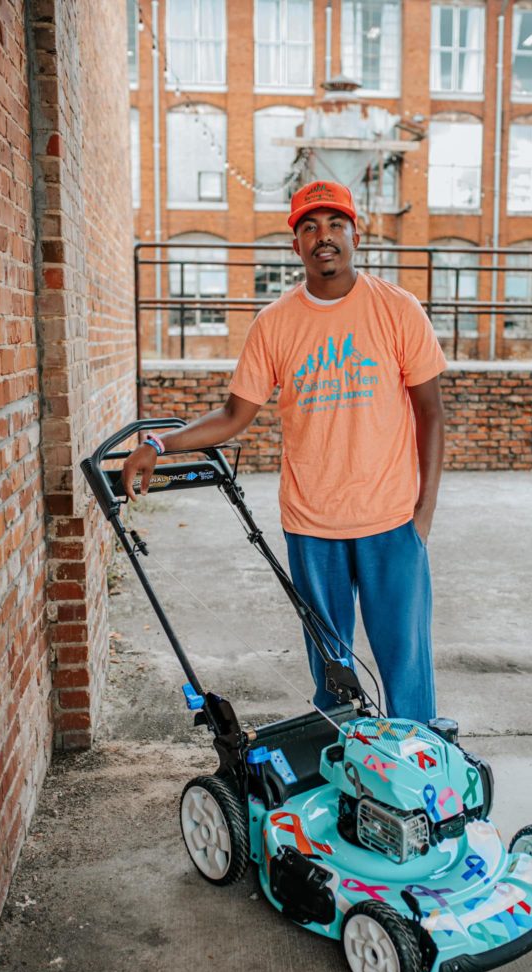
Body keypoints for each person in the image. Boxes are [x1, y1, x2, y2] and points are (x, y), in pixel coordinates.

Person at [122, 180, 447, 723]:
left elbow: (431, 412)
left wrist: (424, 513)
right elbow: (232, 417)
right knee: (332, 674)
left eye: (335, 224)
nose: (324, 237)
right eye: (310, 227)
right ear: (295, 244)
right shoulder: (275, 324)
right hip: (313, 524)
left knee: (406, 666)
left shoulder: (397, 309)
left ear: (355, 235)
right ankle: (348, 782)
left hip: (391, 520)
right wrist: (158, 443)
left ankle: (418, 784)